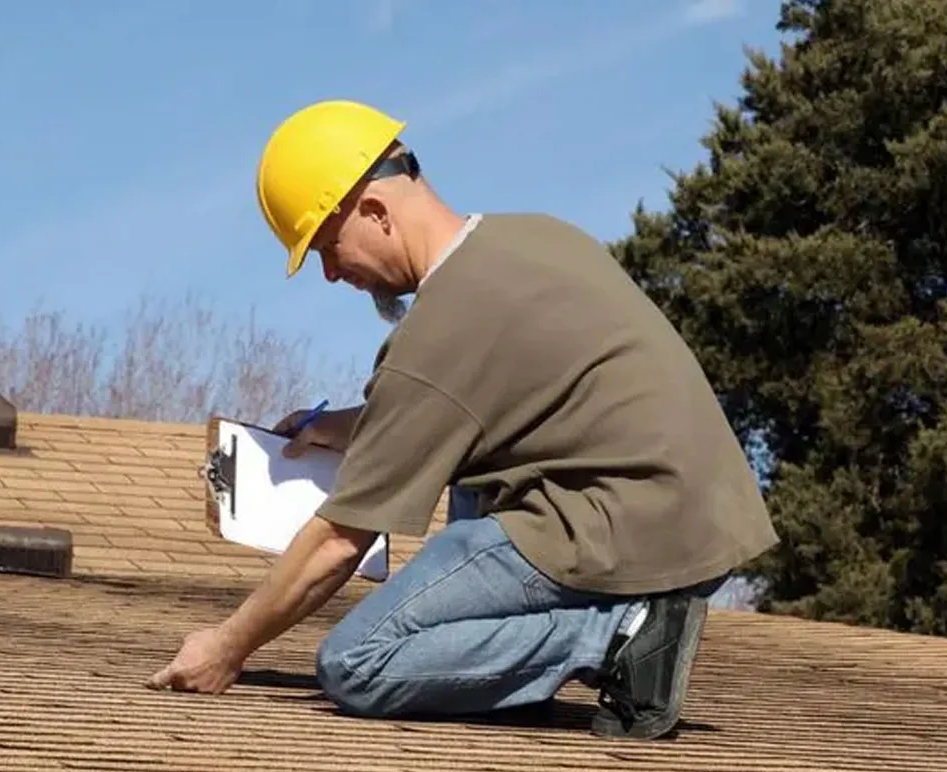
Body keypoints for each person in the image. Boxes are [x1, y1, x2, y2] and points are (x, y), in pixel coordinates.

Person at [147, 99, 779, 740]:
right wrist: (346, 424)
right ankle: (515, 679)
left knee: (356, 663)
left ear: (374, 211)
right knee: (470, 470)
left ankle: (621, 635)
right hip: (696, 513)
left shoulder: (439, 331)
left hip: (623, 529)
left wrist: (228, 644)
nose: (333, 274)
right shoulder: (533, 238)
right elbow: (476, 401)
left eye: (326, 248)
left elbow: (340, 540)